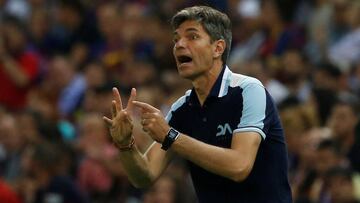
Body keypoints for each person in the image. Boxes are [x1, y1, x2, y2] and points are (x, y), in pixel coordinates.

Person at [103, 6, 292, 203]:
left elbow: (239, 166)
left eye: (192, 37)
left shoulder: (248, 91)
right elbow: (145, 175)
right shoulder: (182, 109)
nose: (179, 45)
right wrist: (126, 146)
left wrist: (171, 136)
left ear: (218, 48)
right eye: (176, 39)